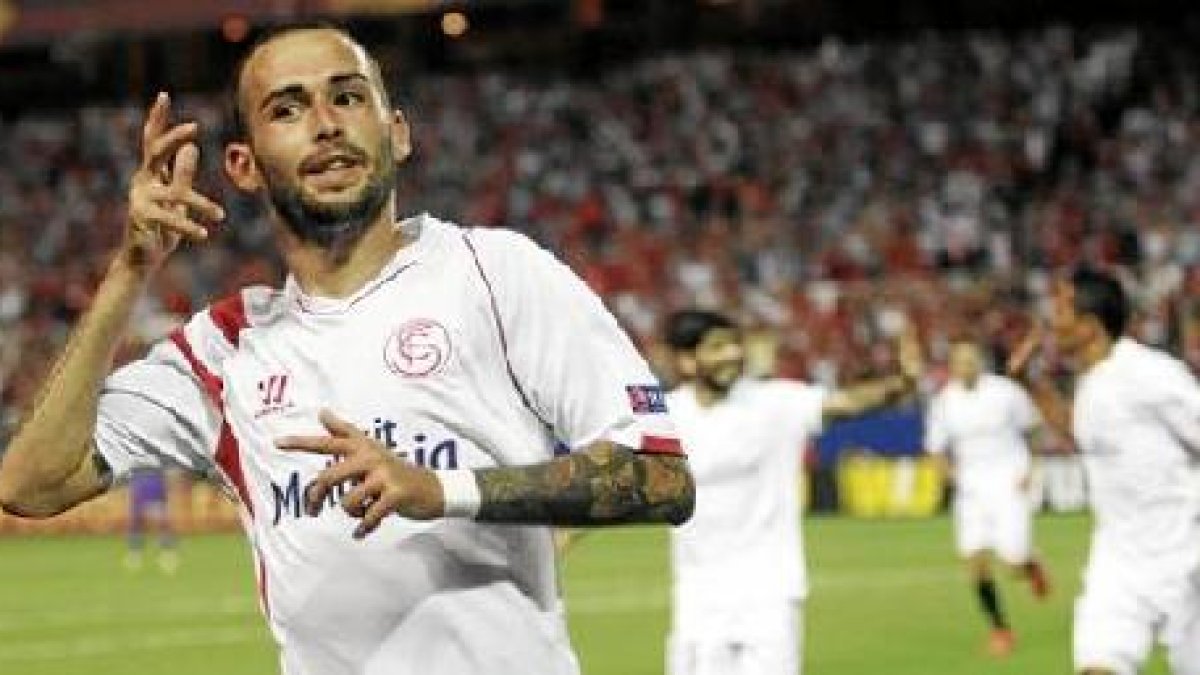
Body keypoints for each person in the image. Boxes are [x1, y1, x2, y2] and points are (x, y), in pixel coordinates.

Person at [0, 23, 694, 675]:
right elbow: (27, 485)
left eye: (348, 96)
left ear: (396, 133)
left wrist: (441, 490)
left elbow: (660, 473)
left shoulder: (495, 274)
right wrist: (129, 270)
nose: (327, 123)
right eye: (288, 108)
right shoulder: (224, 351)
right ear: (242, 165)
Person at [662, 309, 921, 675]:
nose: (733, 354)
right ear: (686, 360)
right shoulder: (667, 417)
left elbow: (846, 402)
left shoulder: (775, 402)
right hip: (698, 597)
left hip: (770, 590)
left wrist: (902, 383)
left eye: (735, 344)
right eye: (717, 347)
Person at [1009, 269, 1200, 675]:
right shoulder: (1094, 381)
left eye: (1061, 309)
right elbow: (1081, 431)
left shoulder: (1151, 374)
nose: (1050, 320)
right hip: (1118, 563)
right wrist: (1029, 381)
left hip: (1185, 560)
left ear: (1091, 325)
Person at [924, 337, 1050, 658]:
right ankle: (1000, 629)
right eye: (958, 362)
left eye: (970, 360)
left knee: (1011, 561)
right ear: (951, 367)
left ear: (979, 362)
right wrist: (947, 474)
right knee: (975, 562)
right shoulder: (944, 402)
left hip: (1009, 481)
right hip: (971, 489)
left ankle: (1029, 564)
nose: (965, 367)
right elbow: (936, 447)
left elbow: (1034, 428)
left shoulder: (1006, 392)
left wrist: (1031, 467)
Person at [124, 467, 180, 573]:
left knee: (160, 522)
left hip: (154, 485)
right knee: (138, 522)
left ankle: (167, 554)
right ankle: (135, 554)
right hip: (141, 485)